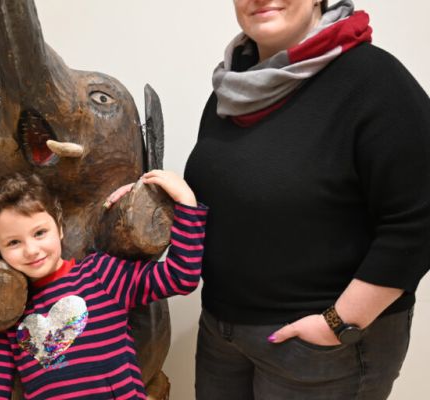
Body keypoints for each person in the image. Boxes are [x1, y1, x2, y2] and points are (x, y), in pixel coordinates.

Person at [184, 0, 430, 398]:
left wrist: (337, 324)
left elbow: (418, 218)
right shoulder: (233, 87)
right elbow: (231, 194)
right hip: (222, 334)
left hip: (321, 350)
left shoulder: (372, 78)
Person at [0, 172, 207, 399]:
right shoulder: (11, 314)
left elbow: (181, 277)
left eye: (40, 233)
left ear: (59, 228)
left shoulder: (101, 274)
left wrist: (186, 202)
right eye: (14, 242)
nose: (31, 250)